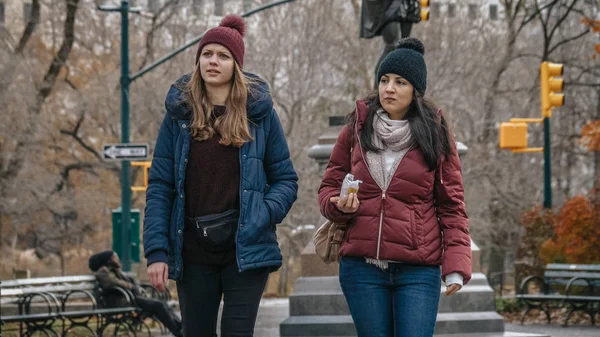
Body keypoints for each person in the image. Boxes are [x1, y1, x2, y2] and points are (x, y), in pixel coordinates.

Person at [142, 15, 298, 337]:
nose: (213, 61)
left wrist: (263, 214)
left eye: (223, 56)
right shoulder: (178, 115)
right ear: (198, 60)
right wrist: (156, 251)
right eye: (207, 54)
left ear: (236, 65)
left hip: (245, 249)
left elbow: (286, 179)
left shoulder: (259, 113)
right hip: (192, 253)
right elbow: (160, 186)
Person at [318, 37, 472, 337]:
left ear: (415, 90)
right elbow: (329, 186)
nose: (389, 88)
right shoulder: (355, 129)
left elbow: (452, 206)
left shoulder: (435, 135)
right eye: (384, 80)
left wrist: (456, 265)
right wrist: (337, 204)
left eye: (400, 82)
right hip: (361, 268)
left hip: (418, 269)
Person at [88, 251, 183, 337]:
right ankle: (178, 332)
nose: (117, 259)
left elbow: (121, 281)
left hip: (127, 298)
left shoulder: (113, 269)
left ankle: (180, 327)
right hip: (118, 301)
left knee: (161, 303)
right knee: (158, 305)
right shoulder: (103, 272)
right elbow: (113, 283)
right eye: (114, 257)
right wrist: (131, 286)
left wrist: (132, 284)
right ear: (108, 260)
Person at [360, 0, 422, 88]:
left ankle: (399, 87)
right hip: (387, 5)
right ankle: (378, 86)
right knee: (392, 45)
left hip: (406, 3)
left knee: (403, 47)